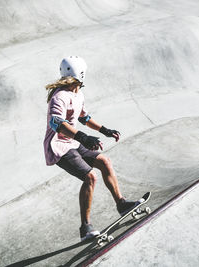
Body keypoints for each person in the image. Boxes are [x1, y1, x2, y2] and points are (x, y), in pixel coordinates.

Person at [43, 56, 137, 241]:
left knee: (104, 161)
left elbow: (84, 118)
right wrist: (83, 137)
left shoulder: (78, 94)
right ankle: (85, 228)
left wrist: (105, 130)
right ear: (82, 74)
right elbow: (57, 124)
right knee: (90, 177)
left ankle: (121, 204)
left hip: (74, 142)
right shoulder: (59, 97)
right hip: (59, 146)